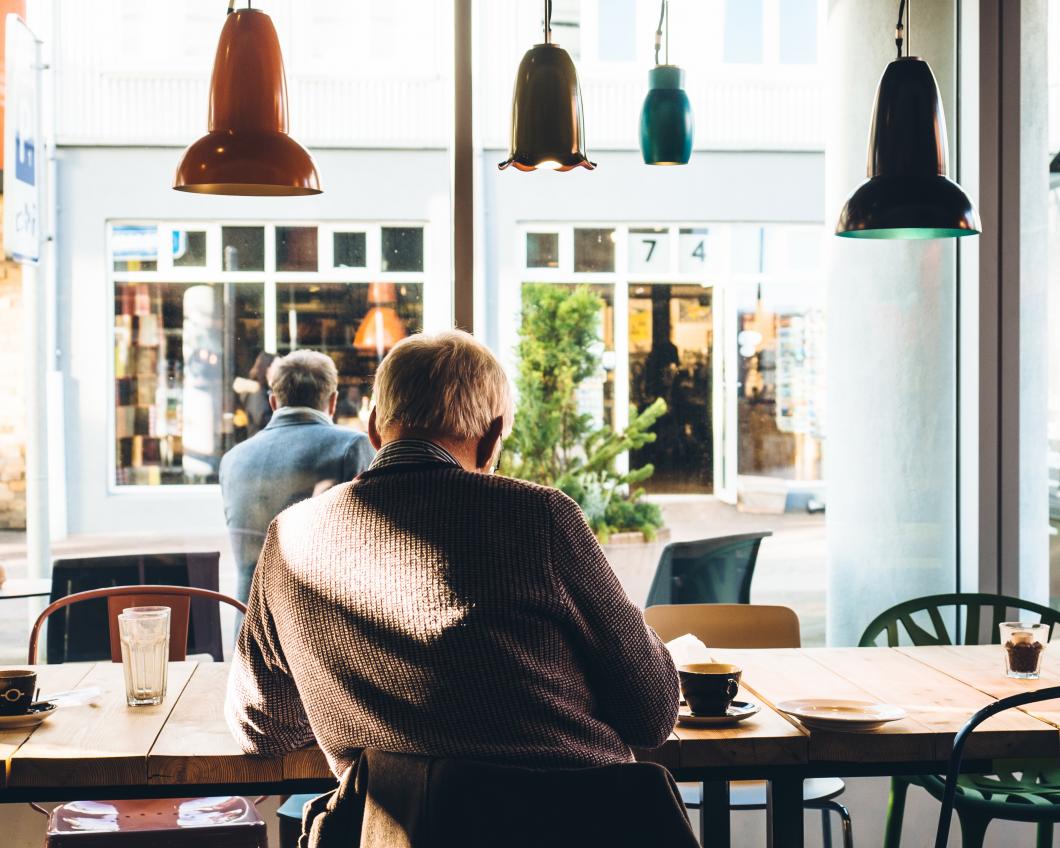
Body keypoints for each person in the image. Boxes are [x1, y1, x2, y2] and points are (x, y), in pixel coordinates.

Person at [225, 329, 679, 778]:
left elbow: (261, 728)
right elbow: (652, 713)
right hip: (577, 824)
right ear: (492, 437)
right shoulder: (540, 517)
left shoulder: (290, 537)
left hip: (397, 831)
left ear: (374, 428)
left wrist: (355, 700)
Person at [219, 349, 374, 605]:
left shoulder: (232, 459)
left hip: (247, 627)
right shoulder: (351, 447)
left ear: (273, 402)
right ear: (333, 402)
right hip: (315, 628)